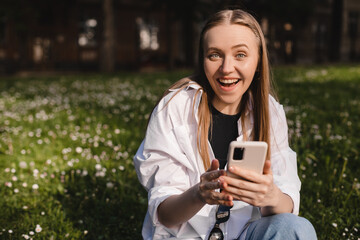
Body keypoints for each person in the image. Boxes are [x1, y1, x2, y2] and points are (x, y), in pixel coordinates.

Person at [134, 9, 317, 240]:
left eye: (240, 55)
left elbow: (285, 207)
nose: (226, 68)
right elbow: (165, 214)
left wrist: (270, 196)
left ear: (258, 61)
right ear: (203, 60)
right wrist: (198, 195)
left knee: (297, 228)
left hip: (245, 234)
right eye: (215, 55)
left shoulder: (269, 111)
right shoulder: (175, 107)